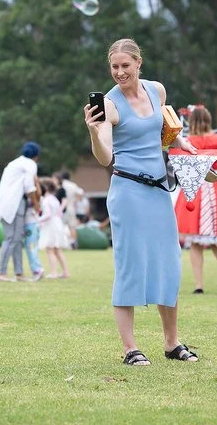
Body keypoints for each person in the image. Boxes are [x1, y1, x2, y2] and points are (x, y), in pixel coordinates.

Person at [84, 38, 200, 366]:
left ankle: (172, 343)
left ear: (138, 63)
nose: (120, 72)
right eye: (114, 67)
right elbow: (105, 156)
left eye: (125, 65)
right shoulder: (109, 105)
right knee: (131, 267)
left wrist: (181, 142)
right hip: (128, 193)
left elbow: (162, 130)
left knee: (169, 264)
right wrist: (93, 131)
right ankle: (130, 349)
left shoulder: (156, 90)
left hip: (159, 190)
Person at [171, 105, 217, 295]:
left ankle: (199, 285)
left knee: (196, 243)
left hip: (194, 189)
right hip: (214, 189)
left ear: (191, 121)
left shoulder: (186, 141)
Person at [0, 142, 41, 282]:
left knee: (17, 239)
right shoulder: (30, 164)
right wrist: (36, 205)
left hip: (5, 202)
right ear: (36, 155)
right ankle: (1, 273)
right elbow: (29, 187)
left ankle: (19, 273)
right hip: (14, 204)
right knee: (12, 238)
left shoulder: (15, 163)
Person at [37, 178, 70, 278]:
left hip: (50, 225)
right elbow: (60, 213)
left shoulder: (46, 200)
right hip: (58, 223)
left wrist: (38, 219)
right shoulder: (54, 199)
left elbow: (47, 215)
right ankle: (65, 272)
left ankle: (54, 273)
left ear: (45, 188)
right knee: (57, 250)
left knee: (50, 250)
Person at [22, 175, 45, 281]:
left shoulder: (35, 199)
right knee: (30, 248)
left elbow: (38, 194)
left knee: (31, 248)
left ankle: (37, 270)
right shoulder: (33, 199)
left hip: (31, 226)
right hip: (31, 226)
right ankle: (36, 269)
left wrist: (35, 182)